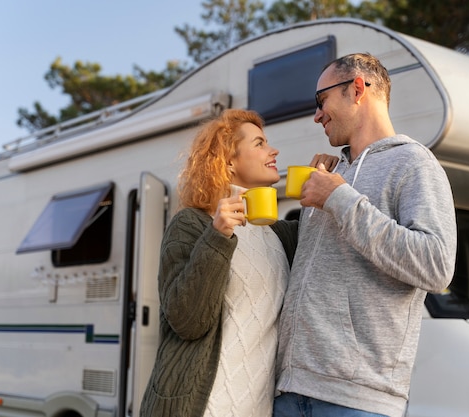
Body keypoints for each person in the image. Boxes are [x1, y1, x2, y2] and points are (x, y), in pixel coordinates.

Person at [273, 53, 457, 417]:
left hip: (357, 401)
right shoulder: (332, 173)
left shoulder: (413, 163)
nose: (317, 114)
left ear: (357, 89)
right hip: (291, 390)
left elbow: (437, 265)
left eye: (321, 100)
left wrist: (340, 199)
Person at [139, 108, 337, 417]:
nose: (274, 151)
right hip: (201, 408)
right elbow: (187, 321)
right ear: (229, 160)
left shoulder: (277, 234)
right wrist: (218, 235)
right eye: (259, 143)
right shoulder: (192, 224)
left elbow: (326, 248)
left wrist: (319, 194)